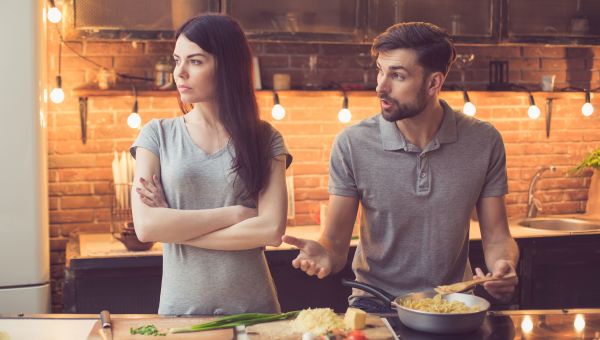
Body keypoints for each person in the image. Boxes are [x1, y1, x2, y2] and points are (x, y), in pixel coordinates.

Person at [282, 22, 519, 313]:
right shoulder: (353, 143)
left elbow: (497, 237)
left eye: (397, 75)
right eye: (381, 70)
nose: (381, 85)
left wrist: (503, 266)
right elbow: (334, 243)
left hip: (451, 305)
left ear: (433, 83)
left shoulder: (484, 141)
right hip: (373, 302)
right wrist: (325, 256)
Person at [130, 14, 292, 315]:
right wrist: (236, 214)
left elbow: (270, 230)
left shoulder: (266, 138)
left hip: (255, 313)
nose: (179, 73)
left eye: (195, 61)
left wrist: (175, 226)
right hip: (181, 314)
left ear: (228, 66)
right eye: (177, 60)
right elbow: (147, 226)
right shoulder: (156, 135)